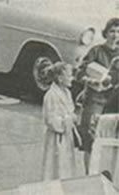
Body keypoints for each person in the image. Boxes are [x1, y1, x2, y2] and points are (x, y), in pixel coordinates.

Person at [76, 17, 119, 174]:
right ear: (106, 33)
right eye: (112, 31)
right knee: (90, 137)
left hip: (114, 101)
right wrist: (90, 80)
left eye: (118, 32)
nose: (115, 35)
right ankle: (89, 174)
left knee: (112, 138)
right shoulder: (96, 51)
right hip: (95, 98)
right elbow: (79, 72)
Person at [42, 61, 80, 180]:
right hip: (56, 137)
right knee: (55, 168)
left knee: (66, 167)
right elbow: (51, 120)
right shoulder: (51, 95)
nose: (72, 78)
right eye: (69, 76)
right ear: (59, 78)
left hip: (67, 136)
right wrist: (69, 119)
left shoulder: (67, 93)